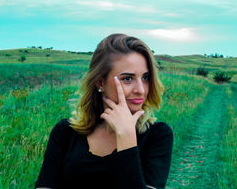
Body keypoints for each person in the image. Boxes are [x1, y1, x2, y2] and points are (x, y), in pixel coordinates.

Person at [35, 33, 173, 189]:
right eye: (127, 79)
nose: (140, 90)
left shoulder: (157, 135)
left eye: (145, 78)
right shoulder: (65, 133)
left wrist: (127, 139)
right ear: (100, 82)